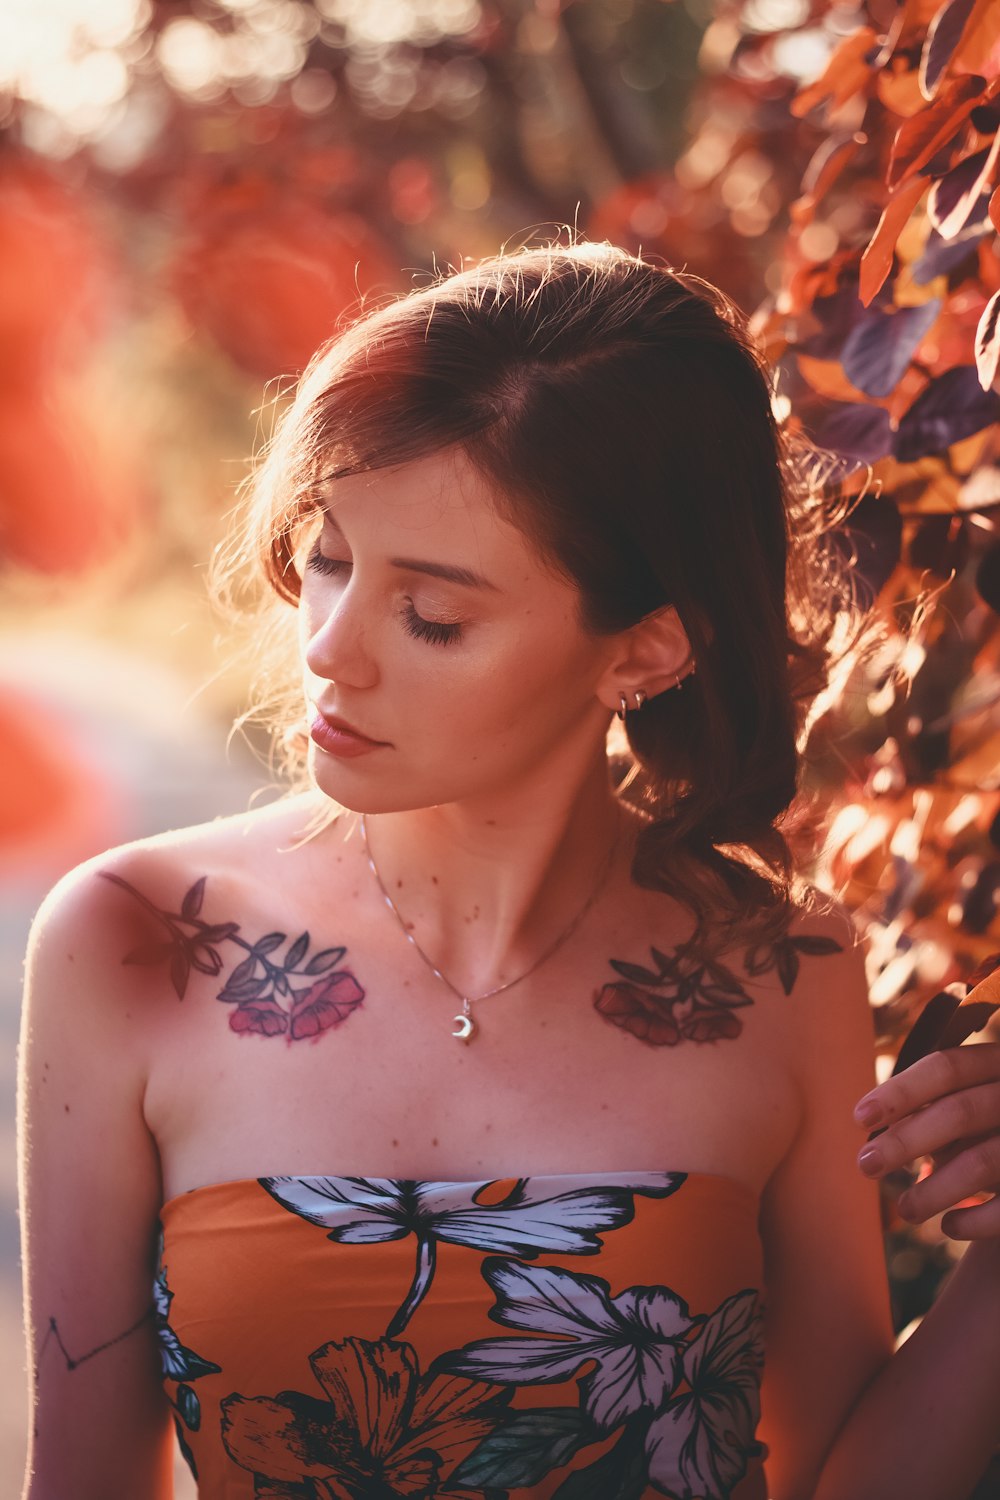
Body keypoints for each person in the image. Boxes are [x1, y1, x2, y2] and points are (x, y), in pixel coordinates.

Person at [17, 241, 1000, 1500]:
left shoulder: (777, 966)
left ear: (646, 651)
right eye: (327, 555)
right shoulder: (134, 939)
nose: (330, 648)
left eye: (434, 616)